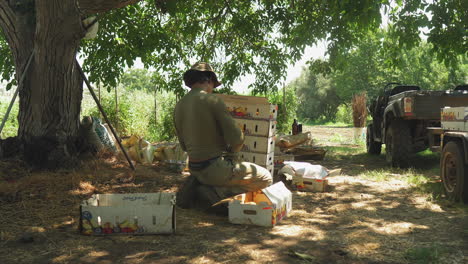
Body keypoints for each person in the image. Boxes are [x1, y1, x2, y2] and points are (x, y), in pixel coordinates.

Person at [174, 62, 272, 213]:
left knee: (218, 170)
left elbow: (185, 146)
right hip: (216, 169)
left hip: (194, 167)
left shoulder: (179, 105)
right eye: (213, 84)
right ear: (208, 80)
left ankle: (201, 183)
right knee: (265, 177)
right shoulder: (213, 101)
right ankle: (216, 193)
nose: (213, 88)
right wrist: (233, 149)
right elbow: (236, 139)